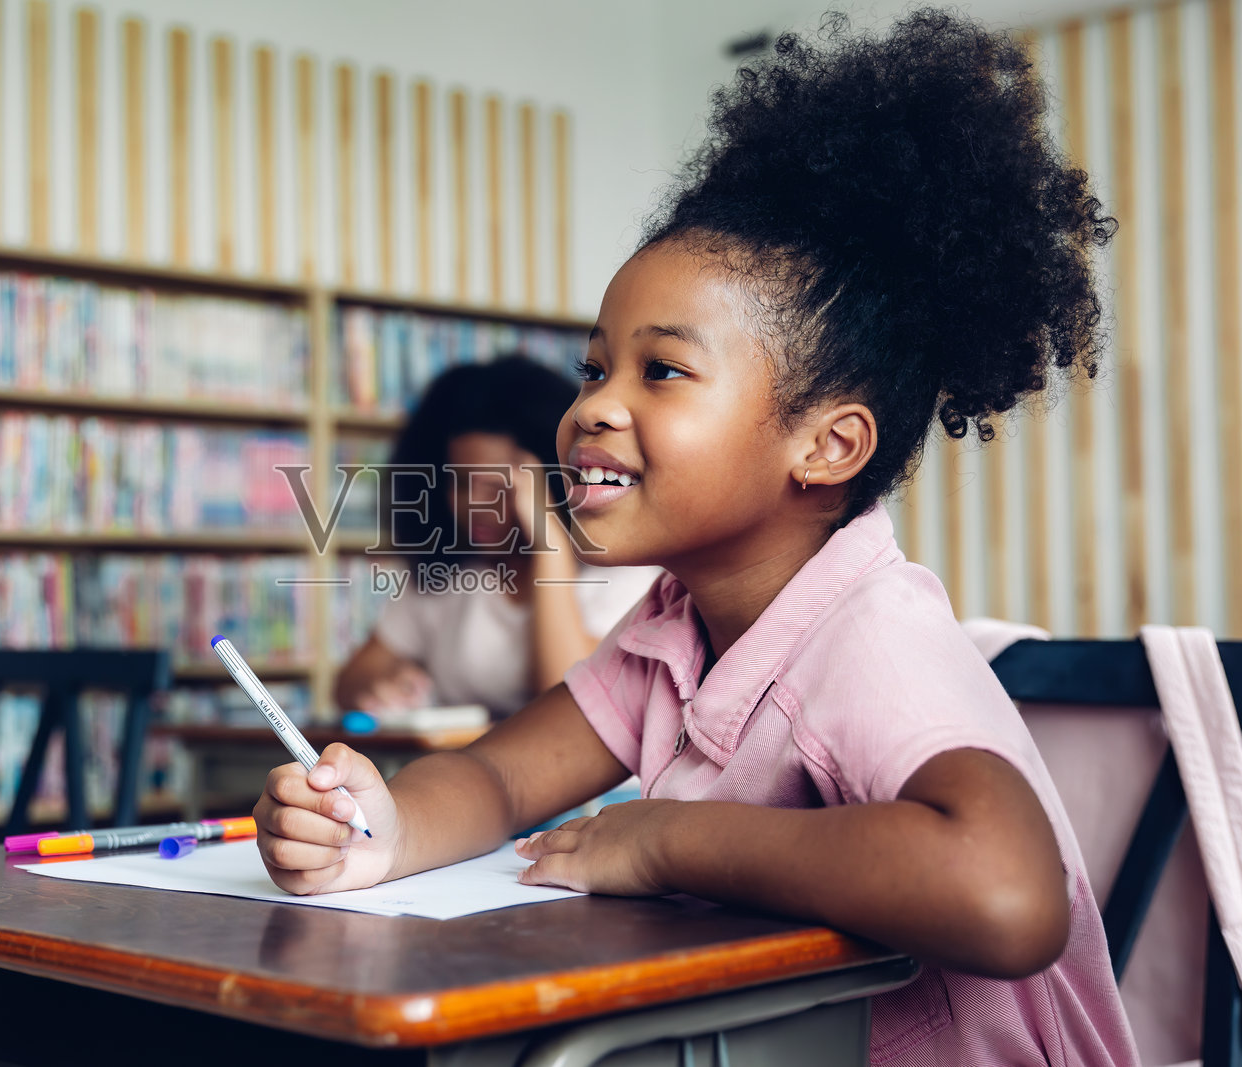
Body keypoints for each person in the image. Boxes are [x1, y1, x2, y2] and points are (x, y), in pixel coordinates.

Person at [259, 11, 1135, 1066]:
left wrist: (667, 836)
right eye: (592, 369)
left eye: (660, 371)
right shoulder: (672, 625)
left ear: (825, 445)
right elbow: (496, 780)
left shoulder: (871, 631)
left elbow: (1007, 891)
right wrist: (377, 827)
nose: (592, 407)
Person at [334, 355, 658, 719]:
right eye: (459, 482)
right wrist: (383, 684)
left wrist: (548, 543)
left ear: (551, 481)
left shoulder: (621, 577)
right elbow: (349, 682)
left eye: (495, 486)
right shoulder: (449, 573)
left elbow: (564, 704)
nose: (473, 505)